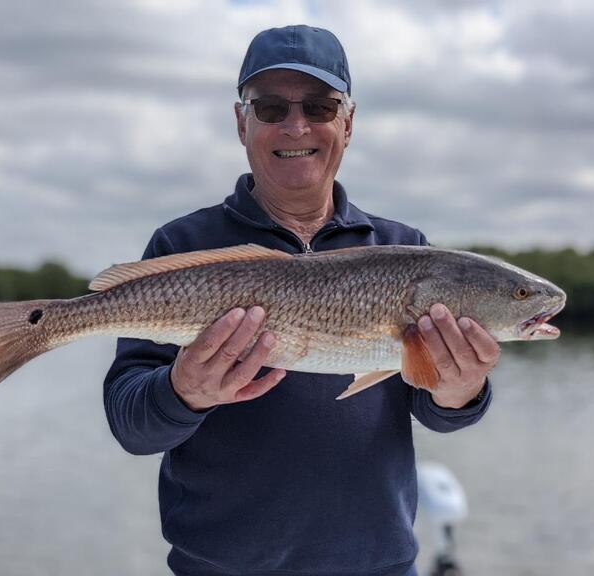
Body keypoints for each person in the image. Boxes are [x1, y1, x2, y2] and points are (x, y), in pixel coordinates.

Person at [104, 25, 499, 576]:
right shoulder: (183, 247)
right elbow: (131, 426)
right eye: (270, 108)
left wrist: (460, 391)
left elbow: (436, 413)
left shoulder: (404, 250)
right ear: (241, 122)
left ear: (348, 122)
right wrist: (182, 392)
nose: (296, 126)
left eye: (319, 106)